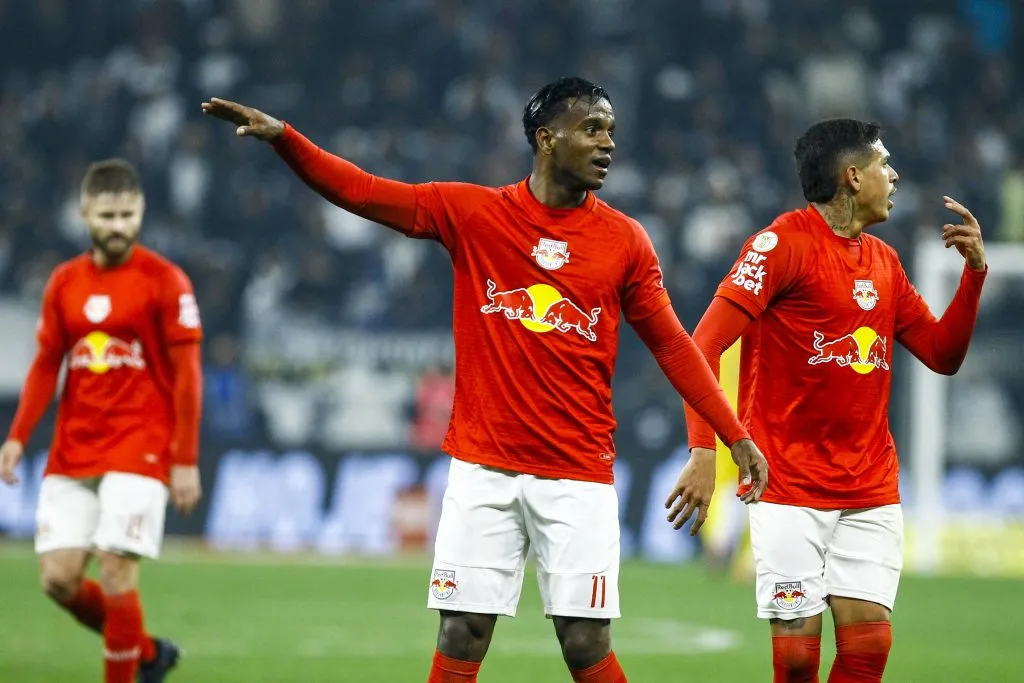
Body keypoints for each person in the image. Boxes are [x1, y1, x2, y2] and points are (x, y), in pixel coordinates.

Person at [202, 76, 769, 683]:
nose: (608, 144)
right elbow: (363, 192)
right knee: (462, 632)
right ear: (547, 139)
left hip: (578, 473)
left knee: (585, 643)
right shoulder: (472, 213)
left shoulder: (625, 241)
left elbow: (675, 348)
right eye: (592, 129)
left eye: (611, 132)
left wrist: (731, 435)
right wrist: (287, 140)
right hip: (483, 468)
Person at [668, 118, 987, 683]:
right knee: (796, 663)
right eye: (884, 165)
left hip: (870, 487)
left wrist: (974, 276)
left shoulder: (884, 263)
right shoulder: (780, 246)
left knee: (868, 652)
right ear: (852, 176)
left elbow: (942, 354)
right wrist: (703, 451)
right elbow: (703, 345)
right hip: (787, 483)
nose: (894, 176)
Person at [0, 159, 205, 683]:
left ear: (142, 213)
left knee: (116, 568)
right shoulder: (64, 282)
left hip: (142, 444)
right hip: (75, 447)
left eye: (128, 215)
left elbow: (187, 377)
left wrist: (184, 459)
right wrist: (18, 436)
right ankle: (149, 654)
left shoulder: (166, 281)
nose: (119, 226)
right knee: (59, 580)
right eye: (108, 215)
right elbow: (48, 364)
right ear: (85, 213)